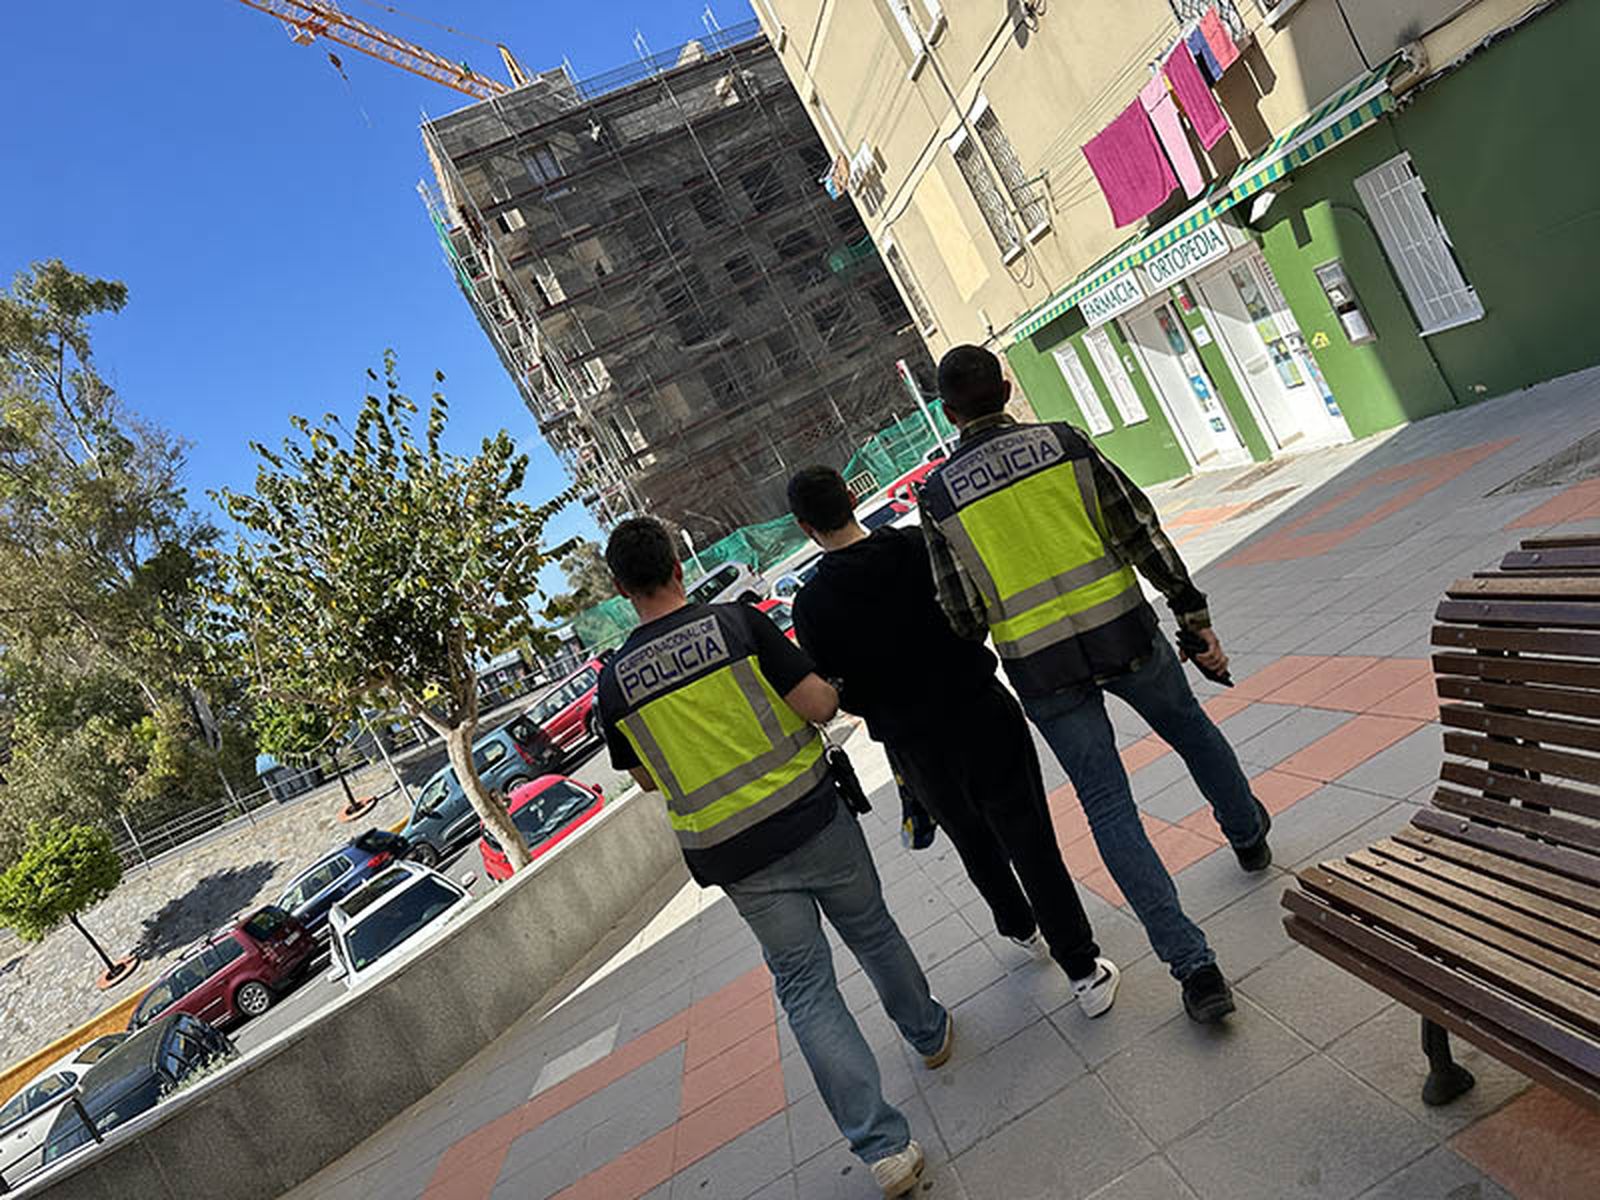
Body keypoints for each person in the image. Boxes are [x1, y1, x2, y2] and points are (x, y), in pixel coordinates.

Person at [919, 344, 1273, 1024]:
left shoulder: (936, 497)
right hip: (1126, 634)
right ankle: (1246, 832)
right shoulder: (1064, 443)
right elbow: (1140, 531)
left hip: (1045, 672)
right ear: (1006, 389)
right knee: (1192, 731)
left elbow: (961, 617)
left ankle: (1194, 969)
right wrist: (1190, 612)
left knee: (1109, 808)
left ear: (947, 412)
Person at [596, 517, 948, 1198]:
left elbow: (644, 776)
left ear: (620, 589)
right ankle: (929, 1034)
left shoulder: (616, 685)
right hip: (812, 816)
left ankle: (884, 1150)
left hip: (736, 857)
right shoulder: (736, 625)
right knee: (871, 930)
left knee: (805, 988)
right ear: (676, 564)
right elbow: (816, 704)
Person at [785, 465, 1120, 1017]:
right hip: (980, 708)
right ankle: (1083, 971)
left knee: (973, 838)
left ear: (804, 527)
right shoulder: (919, 546)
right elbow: (974, 609)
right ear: (852, 496)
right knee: (1030, 835)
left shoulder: (812, 604)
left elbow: (832, 690)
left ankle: (1018, 925)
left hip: (914, 744)